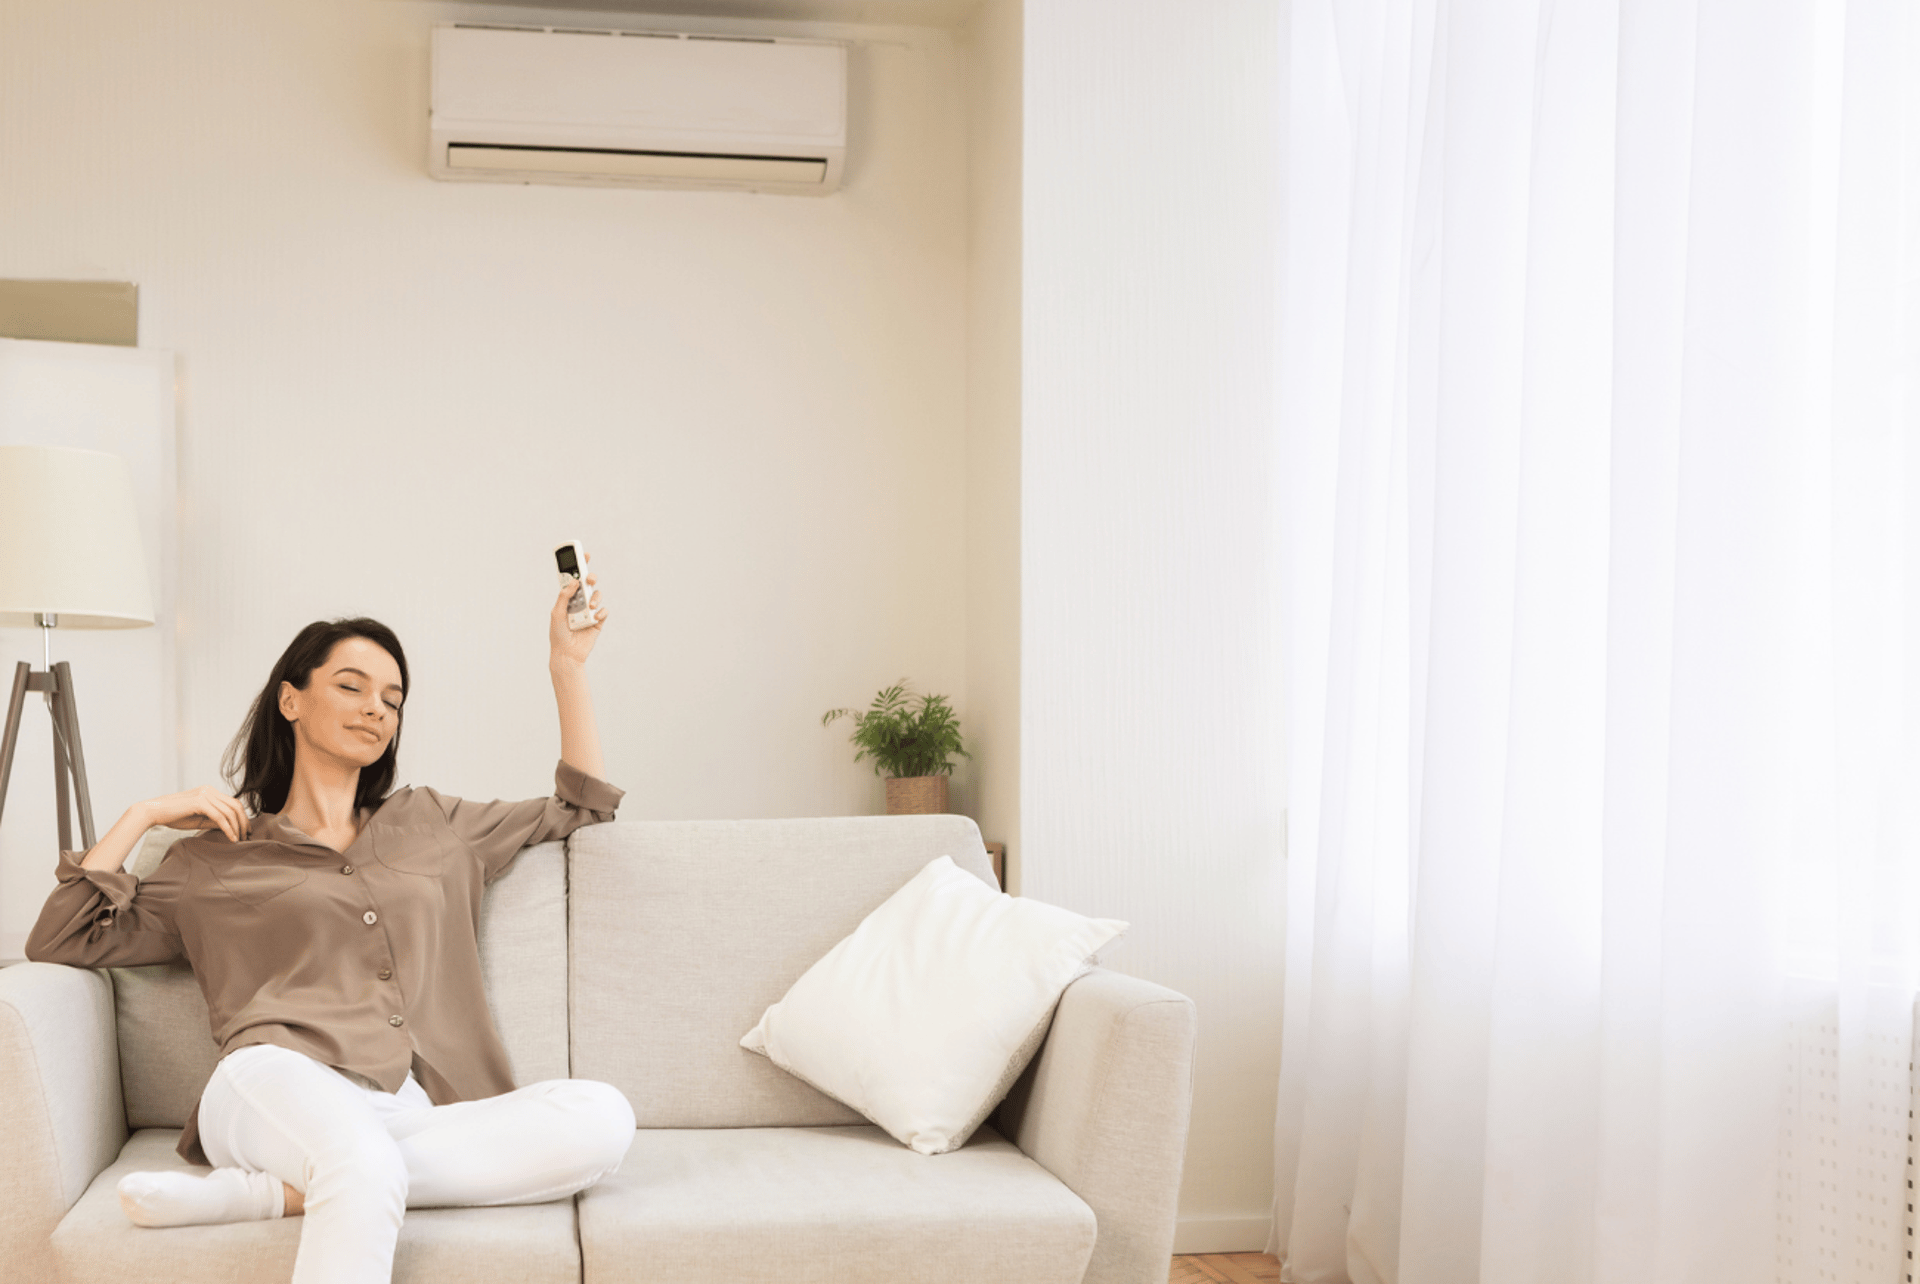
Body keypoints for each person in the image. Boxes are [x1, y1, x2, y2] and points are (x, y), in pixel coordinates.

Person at [24, 570, 634, 1284]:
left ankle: (266, 1193)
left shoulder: (436, 824)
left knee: (602, 1117)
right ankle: (319, 1175)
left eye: (392, 699)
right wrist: (142, 817)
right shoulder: (212, 859)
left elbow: (581, 809)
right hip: (270, 1079)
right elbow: (64, 936)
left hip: (411, 1105)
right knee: (362, 1161)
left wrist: (567, 666)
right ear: (291, 697)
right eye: (351, 686)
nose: (376, 708)